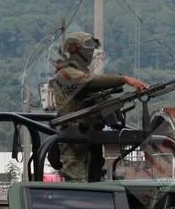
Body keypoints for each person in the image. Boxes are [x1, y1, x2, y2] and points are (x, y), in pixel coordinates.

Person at [49, 31, 148, 182]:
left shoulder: (81, 73)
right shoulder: (66, 73)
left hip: (90, 137)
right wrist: (123, 79)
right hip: (73, 139)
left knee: (95, 183)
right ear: (74, 49)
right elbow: (89, 82)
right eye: (87, 47)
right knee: (77, 185)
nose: (90, 51)